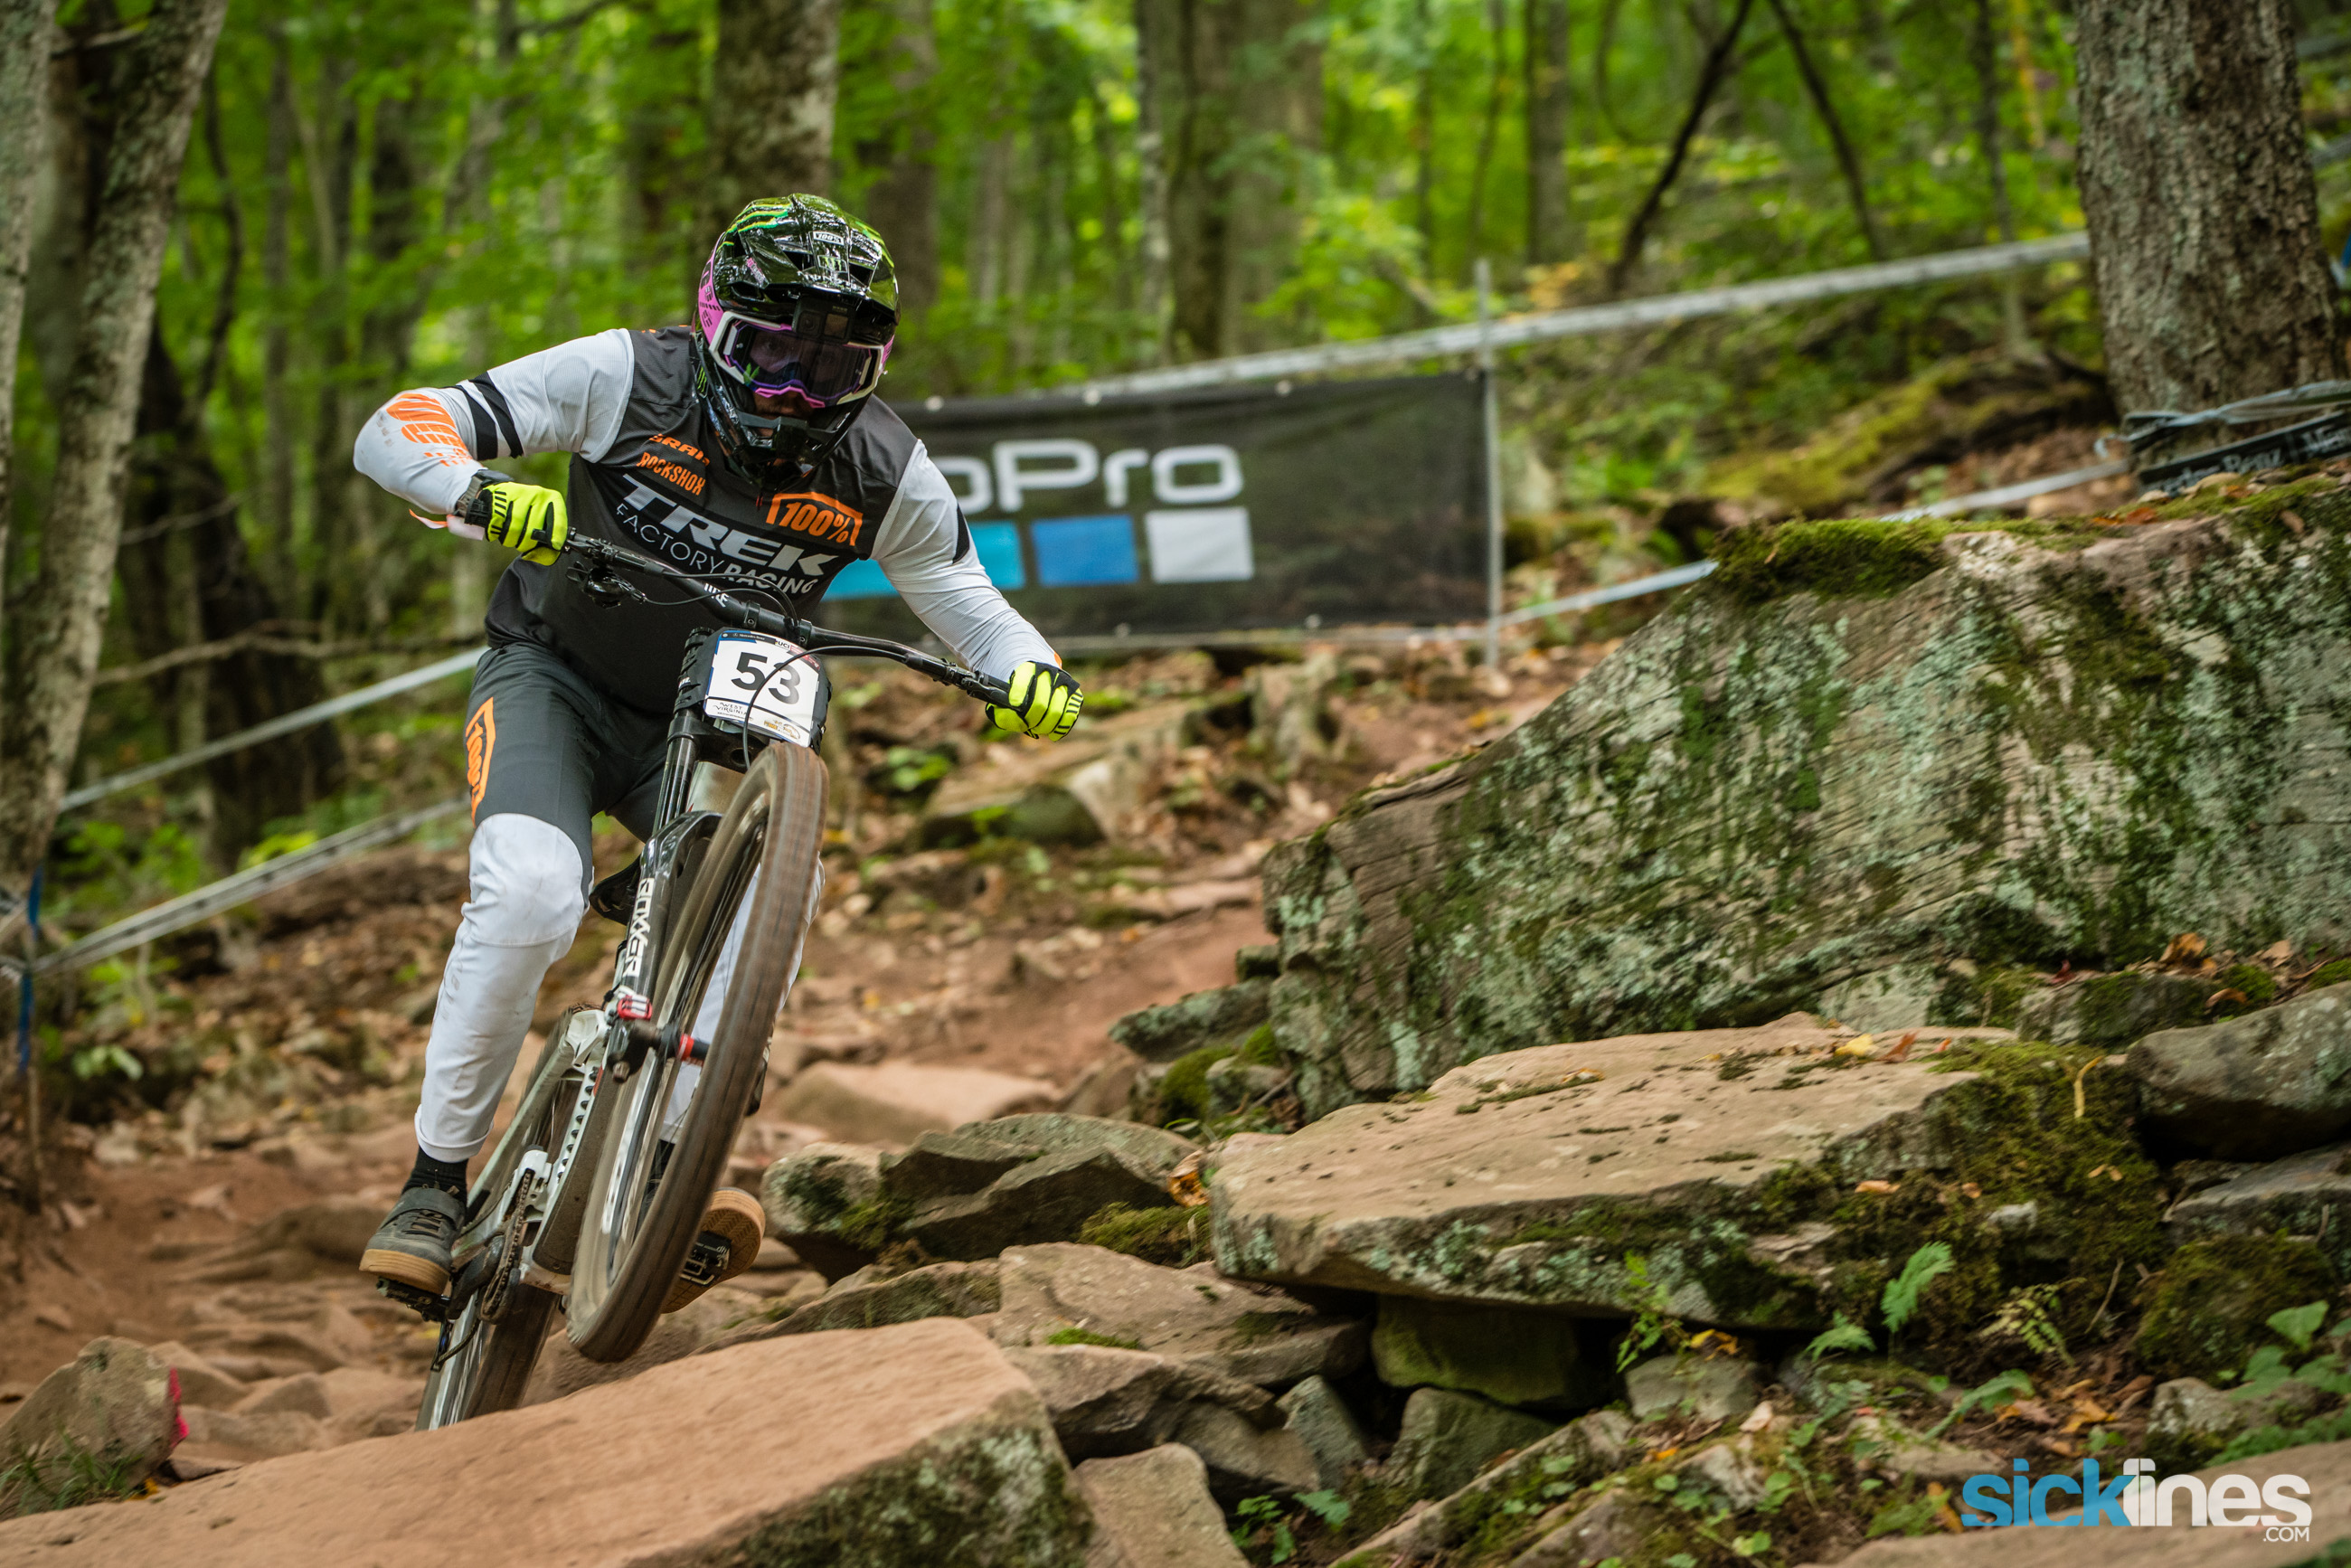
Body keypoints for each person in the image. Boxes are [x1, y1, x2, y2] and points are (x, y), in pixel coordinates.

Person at [348, 195, 1082, 1305]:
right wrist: (477, 492)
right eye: (770, 353)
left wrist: (1033, 671)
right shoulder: (621, 376)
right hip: (561, 675)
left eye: (831, 367)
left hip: (731, 695)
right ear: (711, 323)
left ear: (874, 367)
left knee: (776, 898)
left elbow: (965, 601)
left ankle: (665, 1168)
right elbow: (399, 425)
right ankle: (432, 1186)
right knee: (529, 897)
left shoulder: (884, 466)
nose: (795, 390)